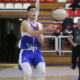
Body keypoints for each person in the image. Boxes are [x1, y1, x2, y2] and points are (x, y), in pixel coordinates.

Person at [18, 5, 54, 80]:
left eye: (35, 10)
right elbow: (33, 34)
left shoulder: (40, 25)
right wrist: (45, 29)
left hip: (37, 52)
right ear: (28, 13)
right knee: (28, 73)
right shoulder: (25, 23)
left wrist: (40, 33)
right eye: (32, 11)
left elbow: (42, 42)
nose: (34, 12)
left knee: (42, 71)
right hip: (26, 52)